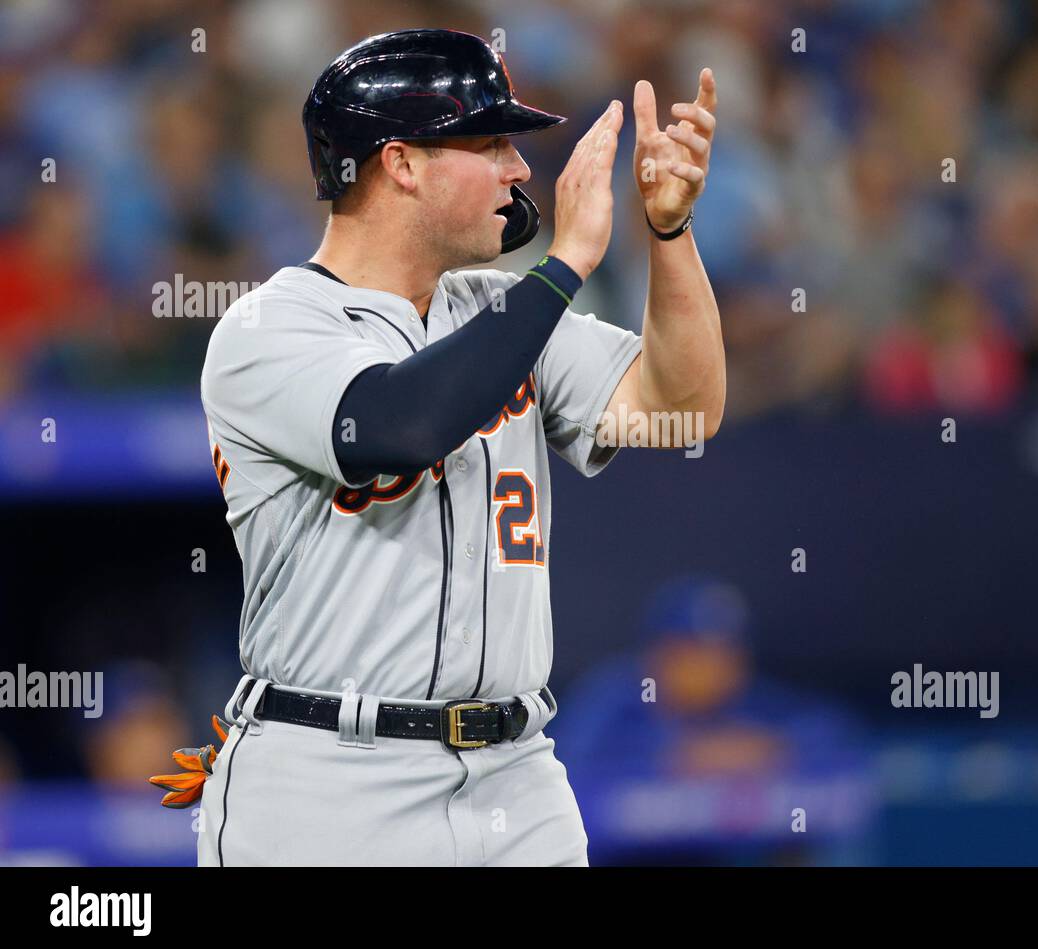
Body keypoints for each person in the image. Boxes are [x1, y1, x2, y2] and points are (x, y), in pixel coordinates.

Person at [167, 29, 723, 866]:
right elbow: (399, 426)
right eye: (490, 142)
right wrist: (566, 259)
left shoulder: (500, 308)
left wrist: (669, 236)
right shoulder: (268, 328)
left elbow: (682, 408)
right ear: (402, 164)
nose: (520, 169)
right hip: (329, 776)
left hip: (516, 773)